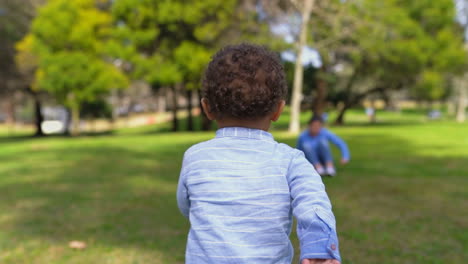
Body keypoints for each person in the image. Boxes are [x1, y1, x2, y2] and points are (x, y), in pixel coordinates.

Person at [177, 43, 341, 264]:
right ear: (278, 110)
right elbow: (314, 202)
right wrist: (320, 246)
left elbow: (186, 205)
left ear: (207, 108)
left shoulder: (195, 157)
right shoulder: (291, 161)